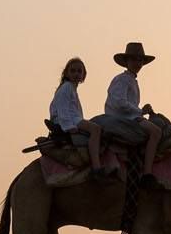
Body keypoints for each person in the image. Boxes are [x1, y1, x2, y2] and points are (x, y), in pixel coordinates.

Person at [92, 41, 163, 187]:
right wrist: (140, 111)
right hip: (124, 119)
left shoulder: (130, 80)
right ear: (126, 61)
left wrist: (141, 110)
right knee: (156, 132)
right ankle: (147, 174)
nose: (138, 63)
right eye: (134, 59)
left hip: (130, 117)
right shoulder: (122, 79)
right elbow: (119, 102)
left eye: (140, 60)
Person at [48, 57, 113, 178]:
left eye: (79, 71)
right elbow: (63, 109)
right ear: (66, 73)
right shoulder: (66, 87)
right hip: (69, 120)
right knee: (96, 129)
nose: (76, 74)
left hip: (73, 119)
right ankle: (97, 167)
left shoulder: (71, 88)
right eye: (73, 71)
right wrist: (69, 127)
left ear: (83, 75)